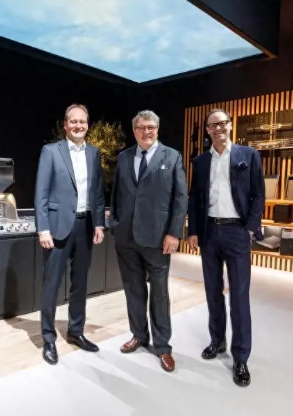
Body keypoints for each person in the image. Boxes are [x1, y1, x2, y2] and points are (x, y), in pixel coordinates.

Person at [186, 108, 265, 387]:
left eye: (222, 123)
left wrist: (250, 228)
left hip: (236, 232)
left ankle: (240, 357)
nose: (218, 128)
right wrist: (193, 231)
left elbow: (258, 195)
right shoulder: (201, 161)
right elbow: (194, 198)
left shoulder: (248, 155)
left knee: (239, 295)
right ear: (207, 130)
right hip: (209, 232)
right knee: (213, 291)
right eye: (212, 125)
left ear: (230, 125)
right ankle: (217, 341)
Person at [109, 110, 188, 372]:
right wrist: (115, 225)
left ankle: (163, 346)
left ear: (157, 129)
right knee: (133, 290)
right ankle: (139, 335)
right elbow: (116, 195)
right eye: (141, 127)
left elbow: (180, 198)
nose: (146, 132)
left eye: (151, 127)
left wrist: (174, 233)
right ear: (134, 131)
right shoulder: (124, 157)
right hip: (126, 238)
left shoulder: (172, 156)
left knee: (160, 293)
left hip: (158, 238)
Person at [34, 103, 106, 365]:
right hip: (57, 227)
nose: (78, 126)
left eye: (82, 122)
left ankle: (76, 331)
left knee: (80, 284)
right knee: (51, 285)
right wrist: (43, 228)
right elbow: (41, 193)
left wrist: (99, 224)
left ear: (87, 125)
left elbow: (98, 193)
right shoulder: (51, 151)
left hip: (85, 227)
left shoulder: (94, 153)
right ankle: (48, 339)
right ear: (65, 125)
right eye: (73, 121)